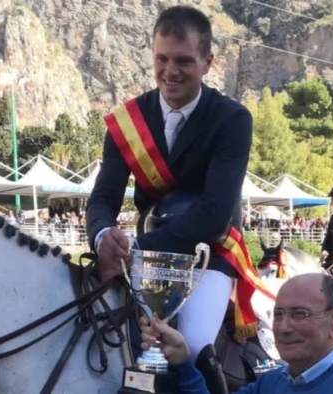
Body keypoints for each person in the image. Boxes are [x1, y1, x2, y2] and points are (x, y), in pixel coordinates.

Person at [85, 5, 259, 393]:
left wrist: (135, 248)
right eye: (161, 59)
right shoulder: (127, 121)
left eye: (183, 61)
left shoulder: (232, 120)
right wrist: (102, 237)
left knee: (193, 345)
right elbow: (103, 198)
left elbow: (214, 214)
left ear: (207, 62)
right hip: (142, 256)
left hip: (209, 254)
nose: (170, 71)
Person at [140, 273, 333, 393]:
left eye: (300, 314)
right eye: (279, 314)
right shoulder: (272, 383)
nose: (284, 327)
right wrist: (183, 360)